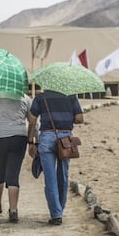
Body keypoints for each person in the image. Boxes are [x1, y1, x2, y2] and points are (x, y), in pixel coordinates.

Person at [27, 90, 84, 225]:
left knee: (50, 178)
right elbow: (80, 118)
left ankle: (56, 214)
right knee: (63, 176)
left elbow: (32, 121)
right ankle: (60, 208)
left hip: (46, 138)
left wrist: (30, 142)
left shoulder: (40, 97)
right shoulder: (71, 96)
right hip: (65, 140)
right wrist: (69, 117)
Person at [0, 90, 33, 223]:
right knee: (13, 175)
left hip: (0, 137)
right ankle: (13, 211)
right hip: (19, 137)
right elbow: (32, 120)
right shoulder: (25, 97)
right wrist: (34, 140)